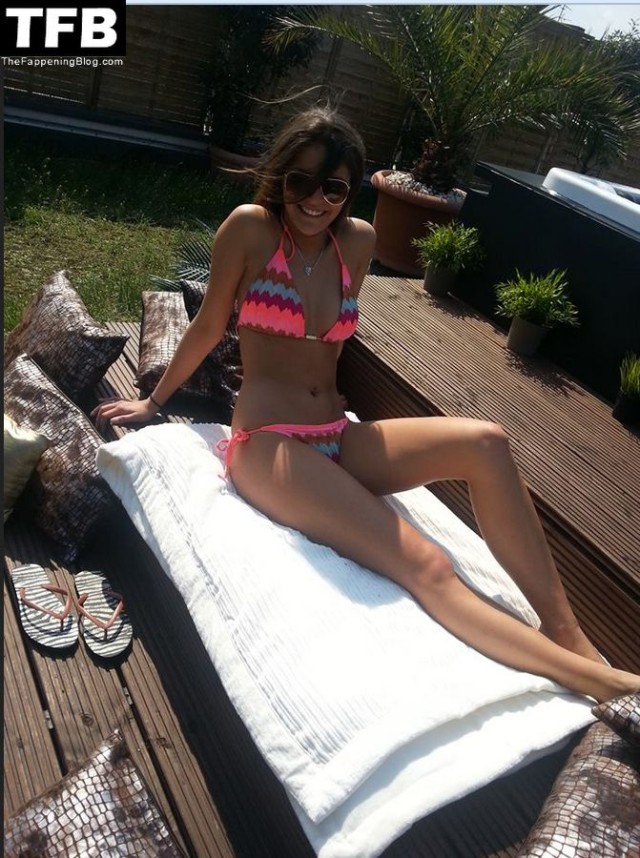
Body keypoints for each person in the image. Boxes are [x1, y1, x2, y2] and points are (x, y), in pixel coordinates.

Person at [93, 106, 639, 708]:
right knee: (426, 563)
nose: (316, 200)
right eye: (301, 181)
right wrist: (154, 401)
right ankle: (609, 685)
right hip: (267, 445)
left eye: (334, 187)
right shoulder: (251, 229)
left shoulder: (357, 241)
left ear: (351, 190)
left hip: (336, 432)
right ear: (280, 177)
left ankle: (564, 631)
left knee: (487, 441)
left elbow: (331, 346)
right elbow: (206, 326)